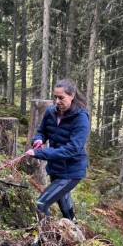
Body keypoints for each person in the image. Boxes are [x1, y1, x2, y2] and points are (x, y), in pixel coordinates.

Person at [25, 79, 90, 221]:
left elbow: (72, 149)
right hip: (56, 169)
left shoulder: (81, 118)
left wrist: (40, 153)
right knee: (66, 210)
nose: (57, 101)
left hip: (71, 172)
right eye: (55, 97)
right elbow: (42, 131)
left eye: (61, 97)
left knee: (40, 204)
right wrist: (38, 140)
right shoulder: (51, 112)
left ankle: (46, 237)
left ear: (72, 96)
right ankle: (75, 234)